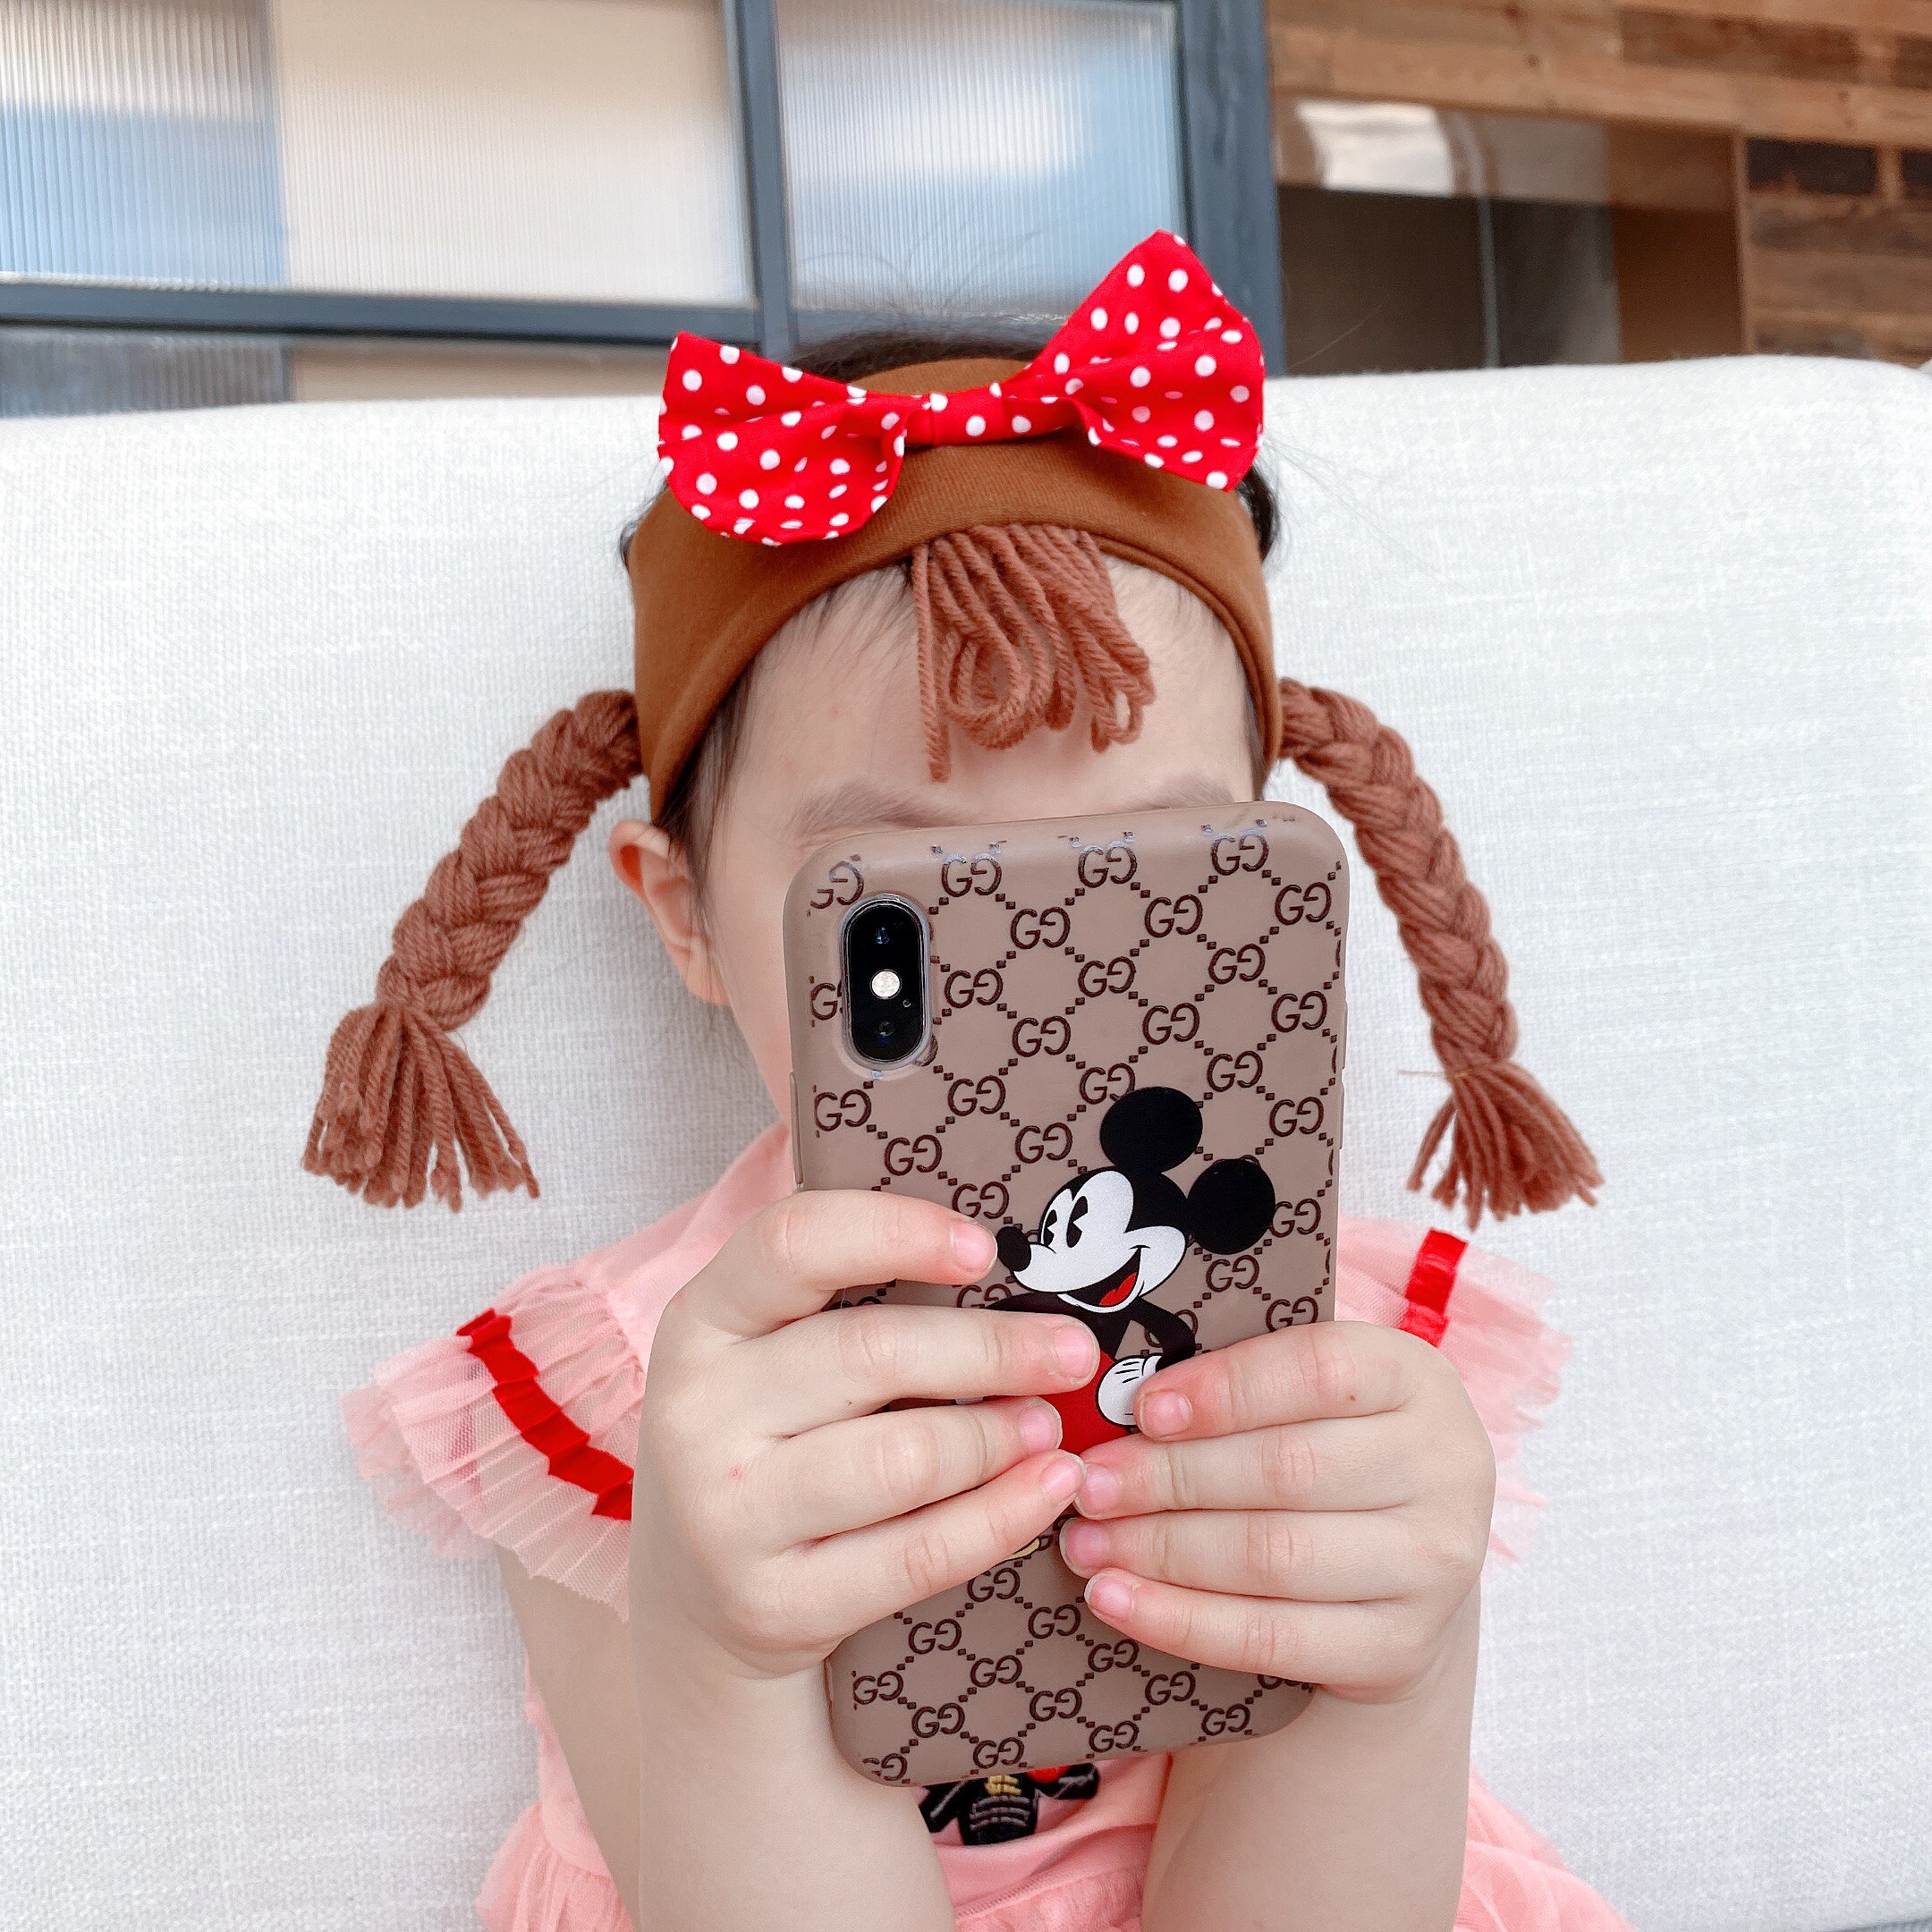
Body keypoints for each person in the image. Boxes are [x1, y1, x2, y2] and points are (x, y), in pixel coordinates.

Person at [312, 233, 1628, 1932]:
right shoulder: (633, 1403)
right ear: (685, 915)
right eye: (913, 892)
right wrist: (725, 1652)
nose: (1049, 972)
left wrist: (1401, 1667)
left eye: (1147, 864)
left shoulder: (1334, 1359)